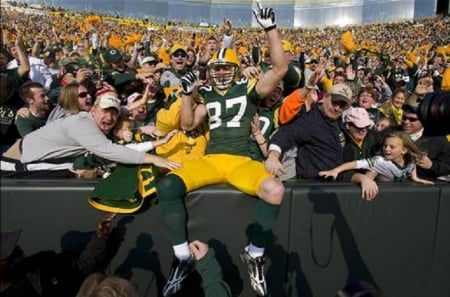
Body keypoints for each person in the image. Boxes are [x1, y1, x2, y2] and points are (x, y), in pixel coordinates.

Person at [156, 2, 287, 296]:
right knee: (167, 187)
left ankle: (254, 253)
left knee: (275, 190)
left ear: (236, 69)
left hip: (242, 160)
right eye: (217, 69)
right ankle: (182, 257)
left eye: (227, 68)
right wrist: (188, 95)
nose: (222, 73)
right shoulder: (206, 96)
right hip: (213, 159)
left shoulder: (249, 89)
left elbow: (280, 68)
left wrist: (271, 30)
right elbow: (188, 124)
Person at [1, 93, 180, 177]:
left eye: (114, 113)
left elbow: (120, 110)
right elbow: (108, 150)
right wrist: (153, 159)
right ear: (93, 110)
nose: (110, 118)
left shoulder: (94, 117)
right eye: (105, 111)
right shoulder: (81, 123)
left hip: (28, 152)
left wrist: (140, 123)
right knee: (77, 168)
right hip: (20, 161)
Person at [0, 213, 117, 297]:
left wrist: (100, 237)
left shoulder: (43, 262)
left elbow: (82, 266)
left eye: (16, 246)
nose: (19, 248)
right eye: (12, 251)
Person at [265, 83, 352, 181]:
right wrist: (274, 155)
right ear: (325, 97)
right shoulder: (310, 120)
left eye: (342, 105)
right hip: (315, 186)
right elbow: (286, 134)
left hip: (341, 185)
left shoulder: (343, 122)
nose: (337, 108)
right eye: (335, 102)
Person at [319, 131, 434, 186]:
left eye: (392, 147)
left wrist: (416, 178)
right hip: (380, 188)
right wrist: (336, 170)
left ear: (404, 150)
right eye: (385, 146)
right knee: (371, 173)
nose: (387, 149)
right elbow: (355, 164)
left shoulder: (411, 159)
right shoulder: (379, 161)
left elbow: (412, 166)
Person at [401, 94, 450, 180]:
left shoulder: (438, 140)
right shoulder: (391, 132)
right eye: (404, 118)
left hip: (422, 187)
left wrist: (431, 165)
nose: (406, 122)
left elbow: (447, 167)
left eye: (412, 119)